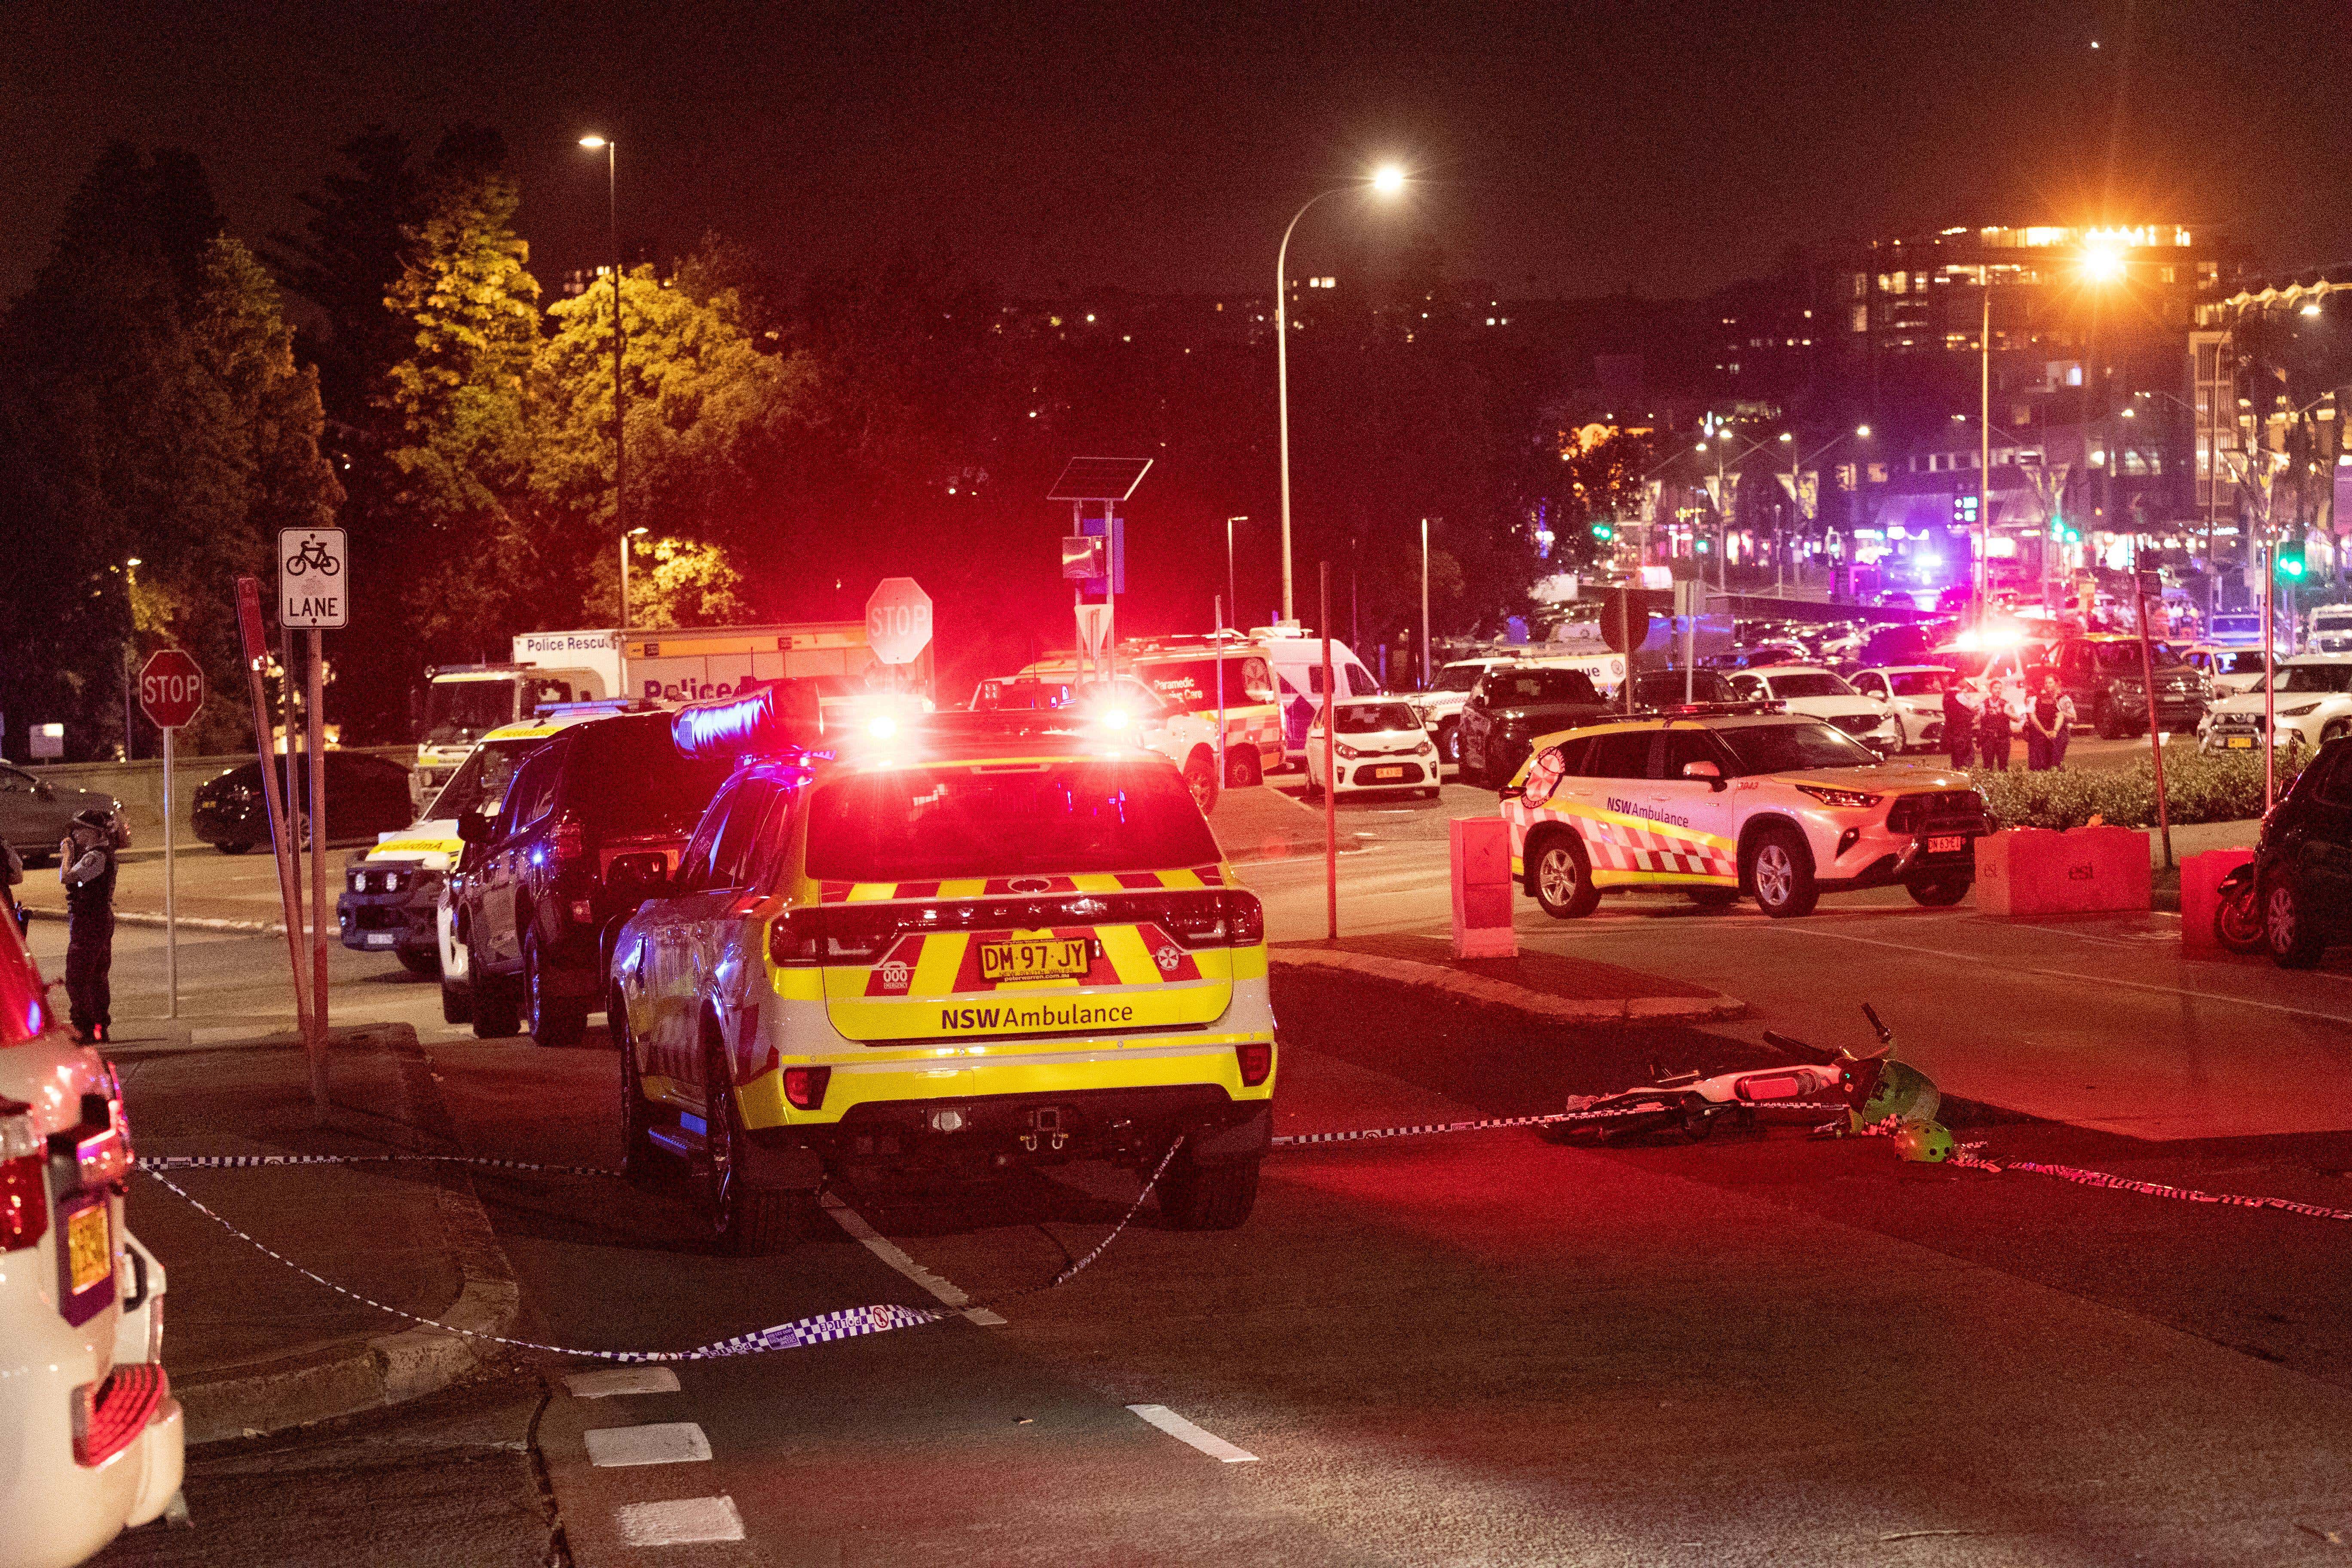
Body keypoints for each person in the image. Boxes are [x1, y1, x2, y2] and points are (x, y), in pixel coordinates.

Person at [58, 807, 122, 1044]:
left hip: (90, 920)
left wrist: (67, 855)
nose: (76, 834)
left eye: (81, 829)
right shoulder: (96, 854)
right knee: (96, 975)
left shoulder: (96, 856)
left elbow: (67, 877)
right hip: (95, 918)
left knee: (78, 975)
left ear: (95, 833)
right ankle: (98, 1026)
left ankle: (84, 1028)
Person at [2024, 672, 2075, 772]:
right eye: (2046, 683)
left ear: (2057, 684)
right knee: (2041, 763)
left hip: (2060, 734)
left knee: (2056, 763)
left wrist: (2059, 715)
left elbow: (2074, 717)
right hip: (2045, 734)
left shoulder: (2063, 699)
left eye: (2050, 683)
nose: (2048, 685)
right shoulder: (2041, 699)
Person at [1975, 680, 2014, 773]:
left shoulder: (2006, 704)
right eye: (1996, 688)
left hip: (2003, 738)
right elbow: (1977, 720)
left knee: (2004, 767)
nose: (1998, 690)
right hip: (1988, 738)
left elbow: (2017, 719)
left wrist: (2008, 713)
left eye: (2000, 688)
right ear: (1991, 690)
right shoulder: (1983, 704)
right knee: (1987, 767)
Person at [1942, 680, 1977, 771]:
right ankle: (1964, 771)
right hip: (1963, 728)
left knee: (1956, 753)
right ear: (1960, 682)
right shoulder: (1959, 695)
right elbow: (1972, 707)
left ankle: (1956, 770)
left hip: (1953, 728)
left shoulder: (1947, 695)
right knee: (1967, 753)